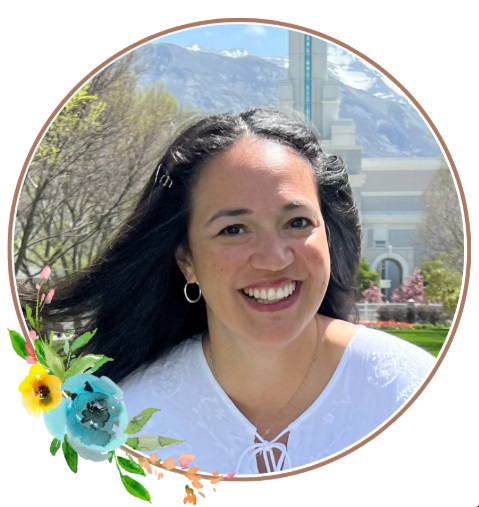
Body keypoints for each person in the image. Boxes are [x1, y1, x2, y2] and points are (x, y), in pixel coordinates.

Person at [29, 107, 435, 475]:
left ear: (327, 235)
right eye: (234, 229)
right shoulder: (124, 423)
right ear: (187, 259)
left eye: (297, 222)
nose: (274, 259)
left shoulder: (412, 392)